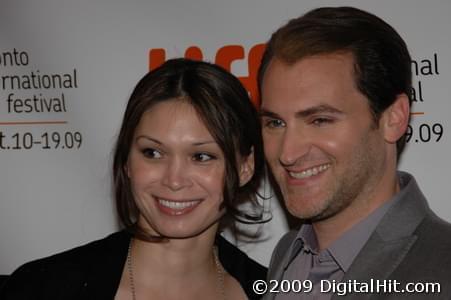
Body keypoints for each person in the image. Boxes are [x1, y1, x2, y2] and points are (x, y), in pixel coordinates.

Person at [0, 58, 267, 299]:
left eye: (201, 156)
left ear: (245, 167)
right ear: (127, 161)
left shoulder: (275, 291)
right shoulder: (42, 287)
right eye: (152, 152)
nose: (174, 180)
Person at [258, 6, 451, 299]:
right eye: (275, 122)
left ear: (393, 119)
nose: (288, 152)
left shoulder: (442, 266)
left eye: (320, 120)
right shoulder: (287, 255)